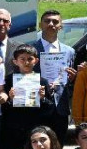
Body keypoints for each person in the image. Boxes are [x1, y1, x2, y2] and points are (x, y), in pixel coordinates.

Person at [30, 10, 76, 141]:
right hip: (37, 105)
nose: (51, 24)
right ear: (40, 25)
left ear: (61, 26)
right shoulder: (30, 49)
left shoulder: (69, 51)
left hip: (60, 108)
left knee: (58, 146)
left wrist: (72, 79)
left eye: (55, 22)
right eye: (47, 21)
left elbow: (69, 82)